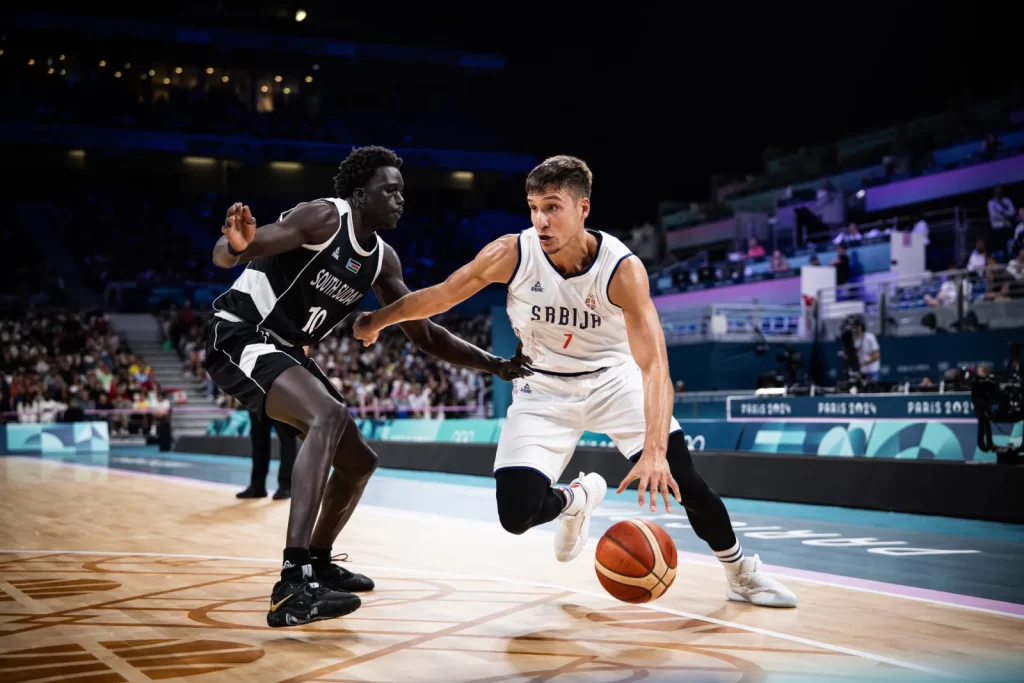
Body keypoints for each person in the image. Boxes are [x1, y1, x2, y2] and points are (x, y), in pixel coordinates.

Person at [354, 155, 797, 608]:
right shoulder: (511, 253)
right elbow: (441, 296)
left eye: (552, 207)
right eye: (533, 208)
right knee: (515, 514)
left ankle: (742, 573)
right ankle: (576, 500)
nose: (541, 221)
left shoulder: (621, 269)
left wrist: (656, 452)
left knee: (685, 480)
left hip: (613, 379)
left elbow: (655, 366)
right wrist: (377, 319)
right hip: (541, 385)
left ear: (583, 208)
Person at [206, 145, 531, 627]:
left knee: (360, 461)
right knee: (328, 416)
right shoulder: (322, 217)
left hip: (286, 350)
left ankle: (318, 560)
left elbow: (424, 333)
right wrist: (233, 244)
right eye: (390, 190)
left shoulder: (382, 259)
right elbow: (236, 249)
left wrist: (496, 365)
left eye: (402, 192)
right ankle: (292, 583)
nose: (401, 199)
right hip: (241, 331)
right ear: (360, 195)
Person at [236, 410, 297, 500]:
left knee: (287, 438)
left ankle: (286, 486)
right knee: (258, 441)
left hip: (281, 400)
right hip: (257, 400)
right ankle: (257, 487)